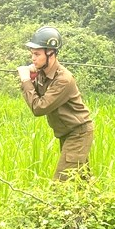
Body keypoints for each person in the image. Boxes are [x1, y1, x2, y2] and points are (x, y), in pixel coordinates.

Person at [17, 26, 94, 181]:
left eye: (37, 54)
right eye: (32, 54)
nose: (33, 58)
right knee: (82, 183)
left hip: (78, 133)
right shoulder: (42, 74)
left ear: (50, 54)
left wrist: (26, 80)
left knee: (60, 185)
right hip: (66, 133)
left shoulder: (63, 79)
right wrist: (31, 78)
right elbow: (36, 96)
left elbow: (39, 108)